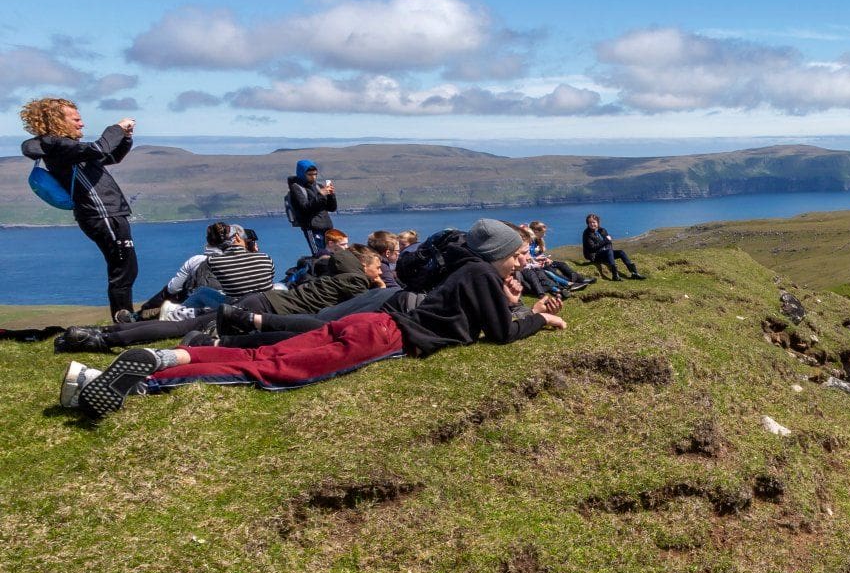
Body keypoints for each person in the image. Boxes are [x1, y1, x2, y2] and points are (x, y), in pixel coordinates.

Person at [67, 219, 564, 418]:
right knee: (270, 368)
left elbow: (492, 317)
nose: (523, 260)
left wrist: (524, 305)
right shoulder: (480, 274)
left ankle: (123, 370)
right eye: (518, 254)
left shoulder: (471, 273)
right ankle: (149, 377)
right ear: (498, 253)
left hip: (375, 323)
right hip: (381, 336)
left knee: (265, 352)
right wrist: (543, 321)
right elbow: (501, 335)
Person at [56, 244, 379, 352]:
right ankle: (99, 340)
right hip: (264, 309)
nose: (382, 267)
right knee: (181, 329)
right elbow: (348, 261)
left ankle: (100, 333)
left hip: (260, 301)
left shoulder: (337, 278)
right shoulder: (355, 281)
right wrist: (373, 278)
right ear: (362, 267)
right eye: (377, 263)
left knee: (182, 326)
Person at [18, 98, 140, 321]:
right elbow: (99, 147)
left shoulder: (69, 148)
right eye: (76, 119)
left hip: (108, 212)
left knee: (125, 267)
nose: (82, 124)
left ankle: (125, 319)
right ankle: (123, 322)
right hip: (101, 213)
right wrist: (117, 128)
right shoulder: (58, 146)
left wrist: (125, 138)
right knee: (123, 268)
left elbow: (109, 156)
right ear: (57, 121)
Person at [285, 160, 341, 256]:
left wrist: (331, 195)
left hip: (327, 227)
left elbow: (331, 208)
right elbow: (305, 208)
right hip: (313, 228)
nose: (313, 177)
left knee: (333, 254)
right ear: (302, 173)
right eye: (310, 174)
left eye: (315, 174)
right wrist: (321, 195)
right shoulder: (296, 188)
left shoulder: (318, 186)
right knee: (320, 255)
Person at [582, 214, 640, 280]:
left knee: (621, 252)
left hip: (606, 253)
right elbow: (592, 248)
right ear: (587, 224)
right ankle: (615, 275)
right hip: (594, 255)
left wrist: (610, 253)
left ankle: (634, 273)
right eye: (590, 222)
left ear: (598, 222)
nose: (592, 224)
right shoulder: (587, 233)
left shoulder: (602, 230)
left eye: (594, 222)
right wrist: (606, 241)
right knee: (609, 251)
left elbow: (609, 243)